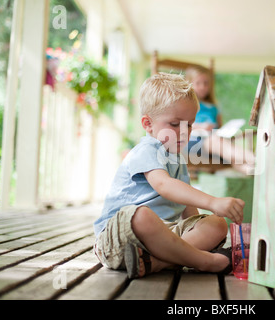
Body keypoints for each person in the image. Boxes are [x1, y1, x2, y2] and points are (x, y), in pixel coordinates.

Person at [93, 72, 245, 279]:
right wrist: (213, 201)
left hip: (162, 241)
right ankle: (204, 261)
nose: (185, 132)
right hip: (121, 239)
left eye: (190, 124)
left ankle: (156, 263)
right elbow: (164, 185)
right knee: (143, 215)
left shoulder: (177, 158)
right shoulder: (146, 150)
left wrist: (201, 225)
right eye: (175, 124)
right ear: (148, 124)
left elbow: (188, 211)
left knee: (217, 223)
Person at [185, 65, 255, 174]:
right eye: (198, 83)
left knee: (229, 154)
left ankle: (252, 170)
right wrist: (200, 127)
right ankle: (255, 160)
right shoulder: (188, 104)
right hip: (194, 140)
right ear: (190, 84)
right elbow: (181, 125)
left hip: (214, 141)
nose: (203, 86)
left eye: (206, 83)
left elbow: (219, 126)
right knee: (219, 143)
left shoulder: (214, 107)